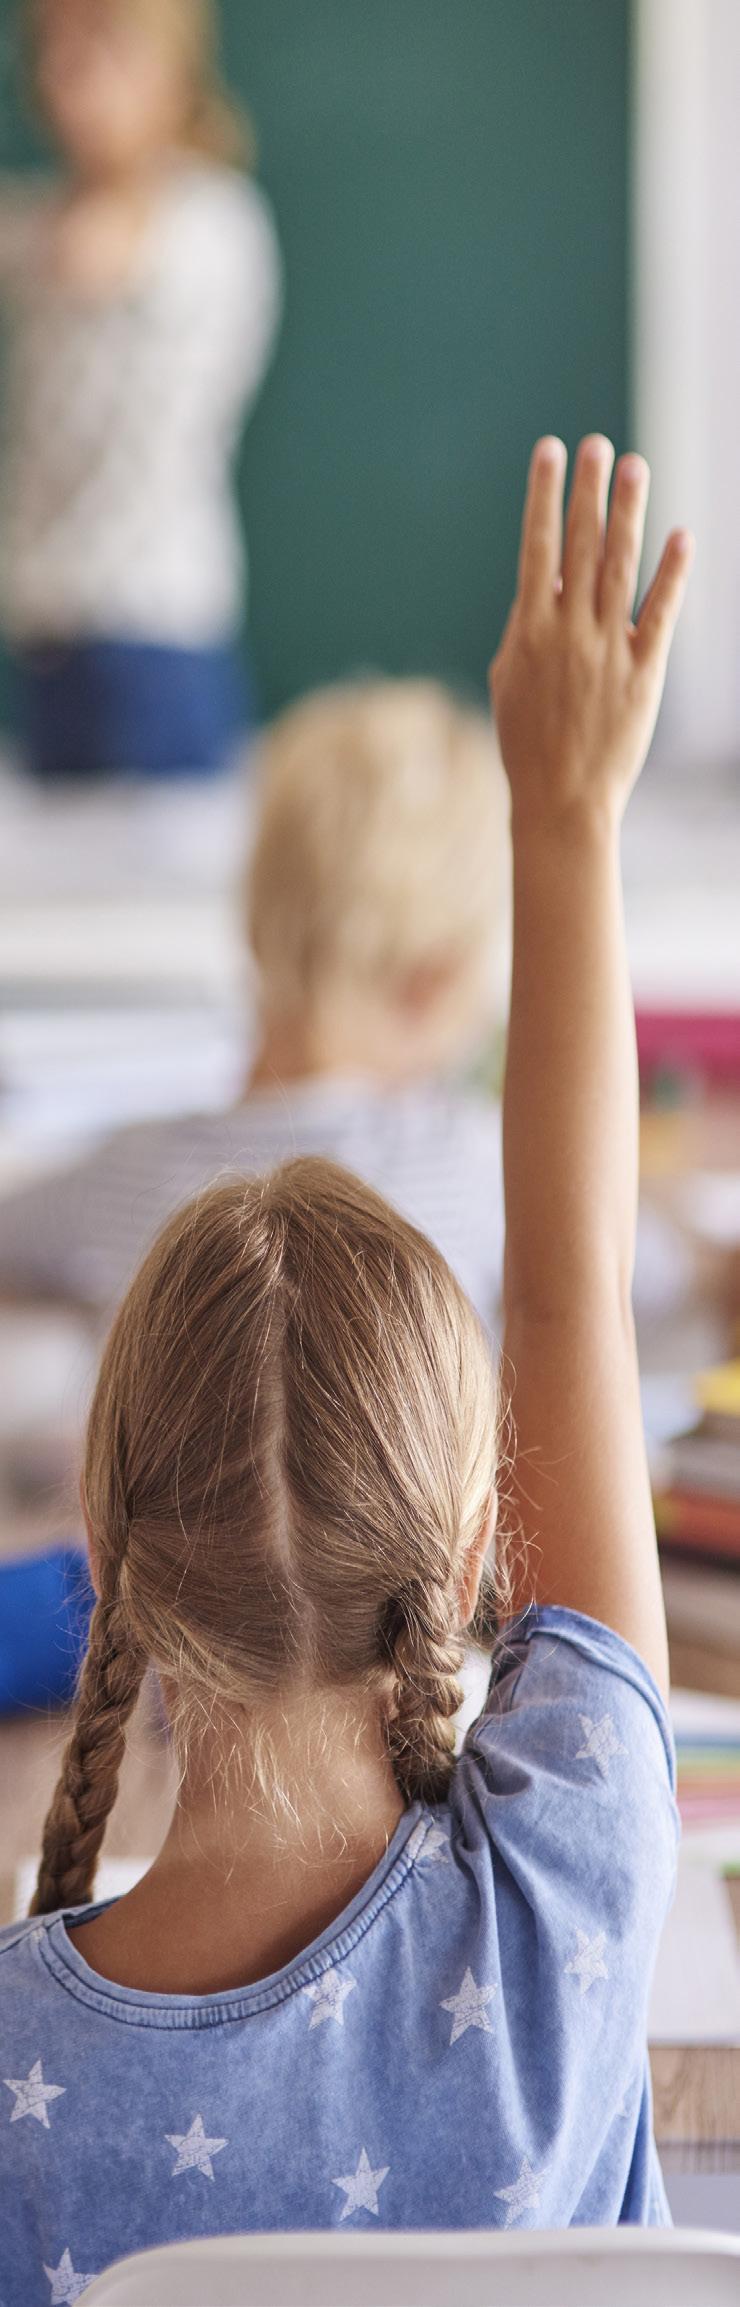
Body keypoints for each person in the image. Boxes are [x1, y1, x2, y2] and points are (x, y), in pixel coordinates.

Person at [0, 437, 692, 2288]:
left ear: (106, 1539)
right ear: (476, 1550)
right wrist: (569, 812)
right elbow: (562, 1291)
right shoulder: (568, 1905)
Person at [0, 679, 508, 1330]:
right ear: (435, 979)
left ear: (252, 925)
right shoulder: (479, 1169)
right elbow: (644, 1267)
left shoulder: (132, 1173)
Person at [0, 0, 281, 780]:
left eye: (99, 49)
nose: (67, 79)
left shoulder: (211, 221)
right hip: (47, 638)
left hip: (155, 644)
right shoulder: (44, 217)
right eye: (52, 53)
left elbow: (92, 254)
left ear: (171, 65)